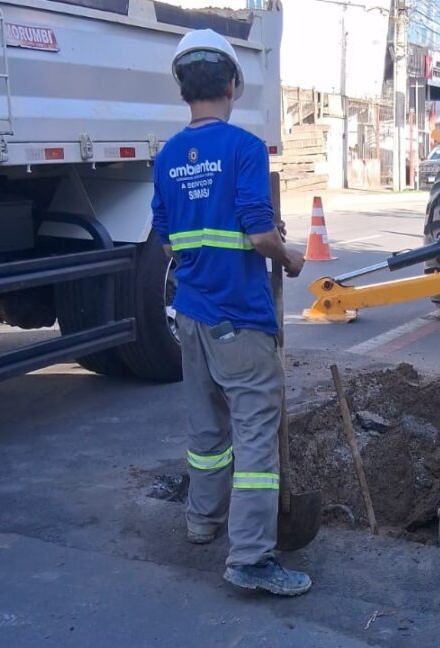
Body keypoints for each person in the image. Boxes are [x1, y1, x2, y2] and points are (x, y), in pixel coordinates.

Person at [151, 29, 311, 597]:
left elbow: (170, 242)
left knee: (206, 431)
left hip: (190, 315)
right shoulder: (244, 149)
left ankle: (202, 521)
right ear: (234, 84)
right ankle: (249, 557)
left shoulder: (167, 157)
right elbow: (258, 231)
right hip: (240, 319)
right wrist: (288, 256)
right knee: (255, 444)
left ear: (181, 90)